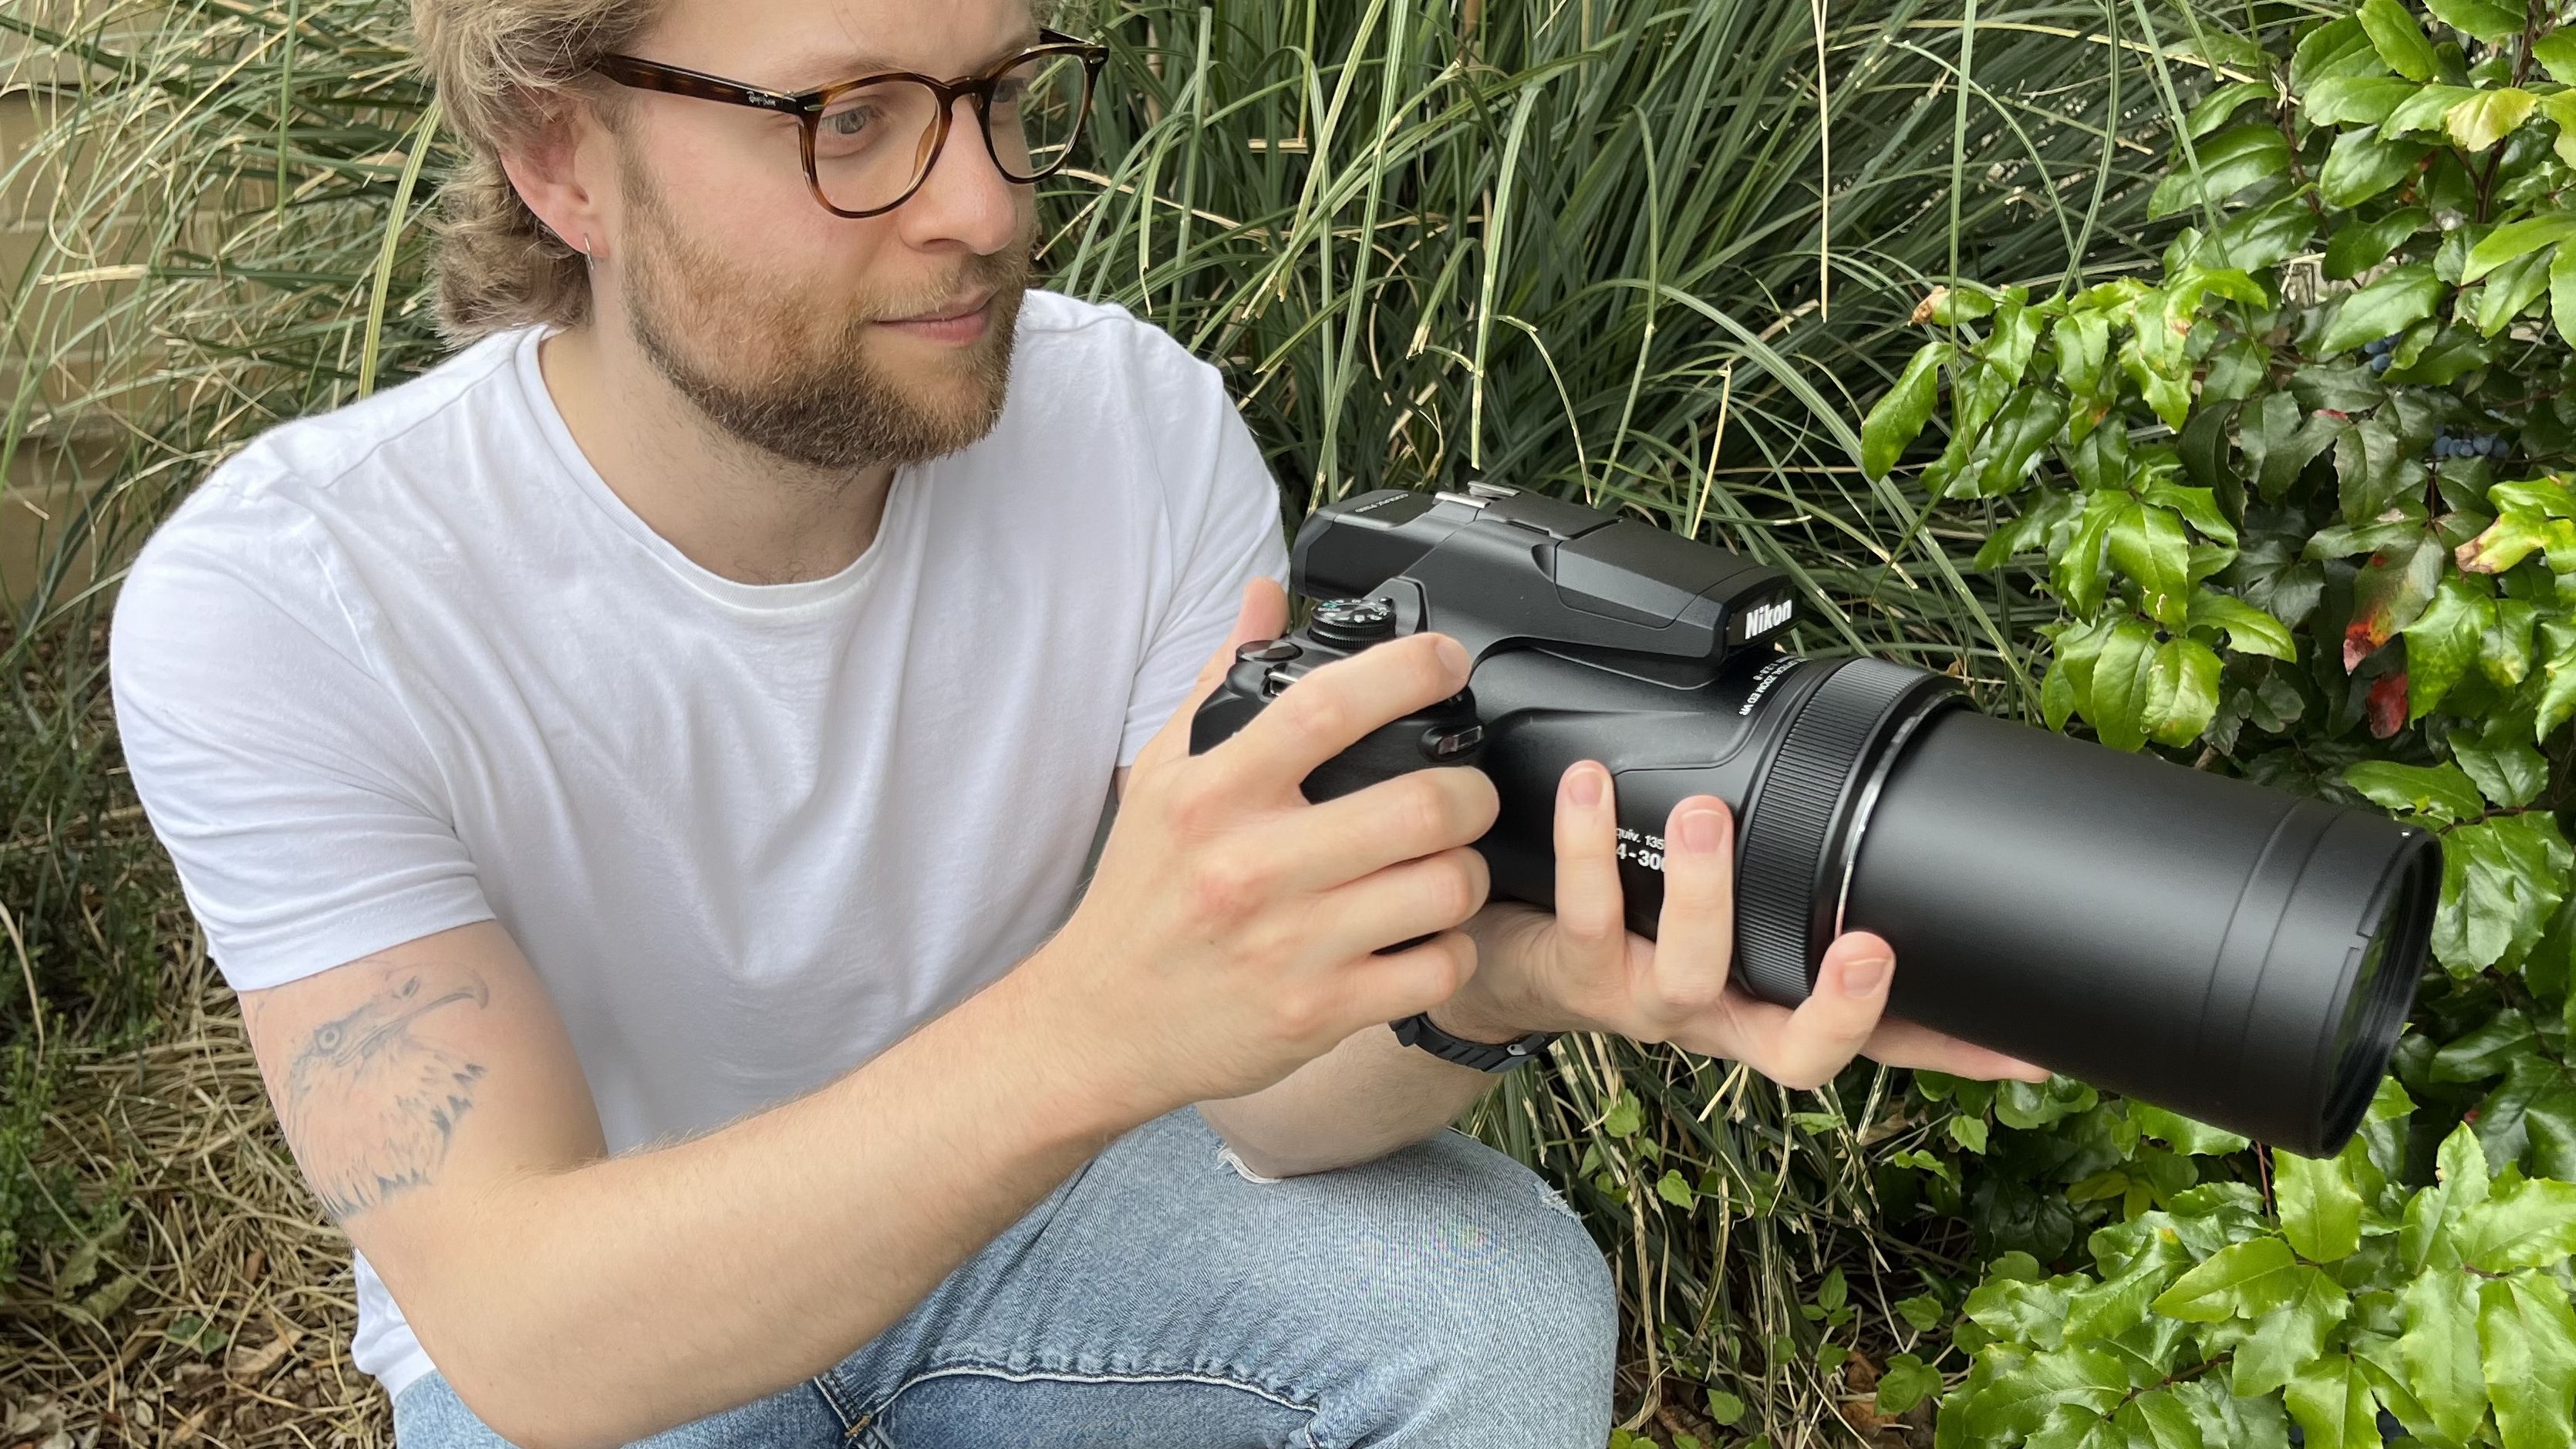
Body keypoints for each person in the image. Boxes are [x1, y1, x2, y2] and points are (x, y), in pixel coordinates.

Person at [106, 1, 2048, 1444]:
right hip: (631, 1316)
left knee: (1488, 1300)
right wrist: (1100, 1019)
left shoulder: (1129, 429)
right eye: (849, 121)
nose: (977, 205)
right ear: (561, 157)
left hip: (1058, 1213)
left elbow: (1267, 1107)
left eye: (1002, 97)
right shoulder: (293, 598)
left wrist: (1495, 975)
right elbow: (527, 1328)